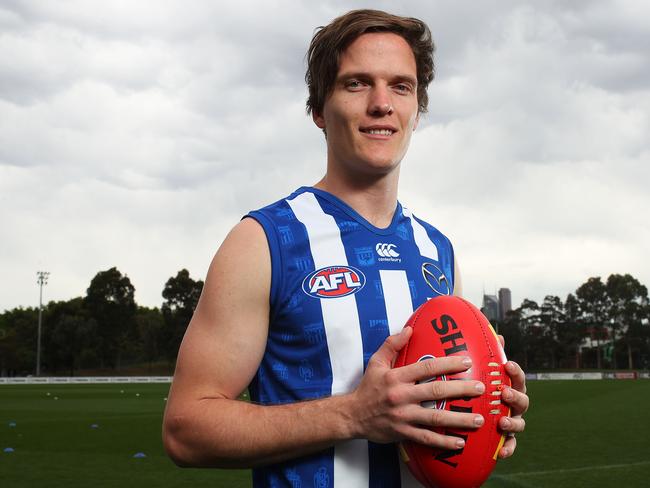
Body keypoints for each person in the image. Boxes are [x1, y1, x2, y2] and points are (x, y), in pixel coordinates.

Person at [163, 9, 528, 487]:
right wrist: (354, 416)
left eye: (401, 86)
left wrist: (487, 409)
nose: (382, 103)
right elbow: (186, 430)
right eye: (357, 84)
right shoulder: (265, 240)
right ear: (319, 109)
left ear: (417, 109)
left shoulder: (438, 250)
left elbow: (445, 413)